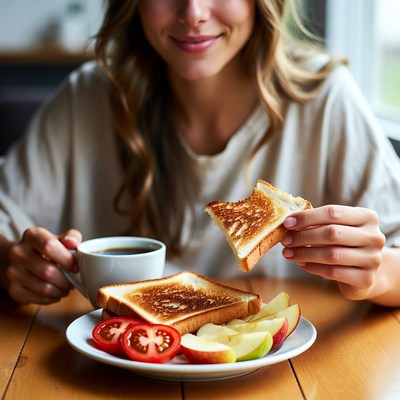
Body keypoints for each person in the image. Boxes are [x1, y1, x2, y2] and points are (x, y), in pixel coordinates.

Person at [1, 0, 400, 307]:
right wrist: (12, 262)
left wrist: (375, 273)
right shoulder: (88, 97)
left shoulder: (326, 97)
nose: (192, 14)